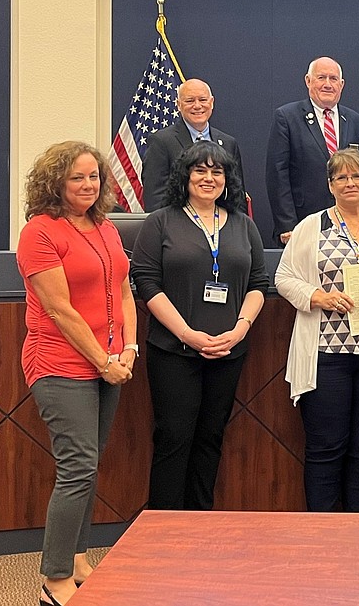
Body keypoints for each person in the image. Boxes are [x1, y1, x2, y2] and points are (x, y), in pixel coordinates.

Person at [16, 141, 137, 606]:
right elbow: (59, 310)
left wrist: (127, 348)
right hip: (60, 364)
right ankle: (54, 576)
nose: (88, 186)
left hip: (110, 364)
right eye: (77, 178)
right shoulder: (40, 232)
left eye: (94, 177)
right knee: (77, 467)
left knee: (89, 466)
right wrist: (102, 361)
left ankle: (80, 558)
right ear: (55, 184)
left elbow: (124, 290)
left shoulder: (104, 226)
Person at [131, 142, 268, 510]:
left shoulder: (243, 224)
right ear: (185, 176)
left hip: (228, 350)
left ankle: (199, 525)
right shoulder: (160, 221)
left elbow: (258, 283)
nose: (209, 178)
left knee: (211, 439)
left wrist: (241, 329)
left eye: (217, 172)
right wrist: (186, 334)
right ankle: (161, 531)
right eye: (200, 171)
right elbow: (146, 282)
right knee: (174, 438)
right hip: (174, 351)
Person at [275, 148, 359, 511]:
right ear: (330, 185)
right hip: (325, 354)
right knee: (326, 447)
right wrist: (317, 296)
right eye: (341, 177)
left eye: (357, 176)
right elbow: (284, 277)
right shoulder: (311, 226)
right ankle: (324, 532)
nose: (349, 183)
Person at [266, 57, 359, 245]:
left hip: (348, 224)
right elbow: (277, 175)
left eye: (333, 79)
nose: (328, 84)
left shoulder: (356, 121)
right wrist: (287, 225)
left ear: (342, 84)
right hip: (302, 222)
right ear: (308, 81)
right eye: (321, 78)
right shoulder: (287, 117)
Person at [141, 78, 245, 211]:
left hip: (222, 225)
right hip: (178, 227)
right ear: (178, 105)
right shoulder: (161, 142)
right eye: (190, 101)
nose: (197, 106)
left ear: (211, 102)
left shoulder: (228, 143)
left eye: (202, 100)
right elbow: (155, 197)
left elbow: (237, 195)